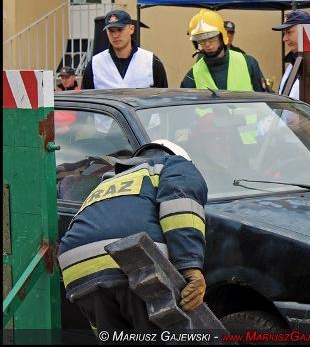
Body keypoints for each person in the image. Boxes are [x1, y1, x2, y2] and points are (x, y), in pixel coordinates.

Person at [57, 140, 208, 331]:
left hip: (75, 268)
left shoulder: (108, 181)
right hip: (132, 260)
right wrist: (191, 268)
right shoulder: (175, 164)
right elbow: (181, 209)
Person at [181, 9, 266, 92]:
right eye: (201, 40)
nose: (207, 44)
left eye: (211, 38)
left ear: (222, 37)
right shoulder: (194, 74)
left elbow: (266, 101)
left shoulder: (248, 63)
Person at [82, 10, 168, 90]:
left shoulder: (151, 61)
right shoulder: (95, 64)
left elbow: (163, 100)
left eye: (120, 30)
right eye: (111, 31)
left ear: (131, 29)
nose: (115, 35)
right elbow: (85, 102)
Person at [271, 9, 310, 99]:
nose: (284, 39)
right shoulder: (293, 62)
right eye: (284, 34)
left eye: (289, 32)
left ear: (307, 31)